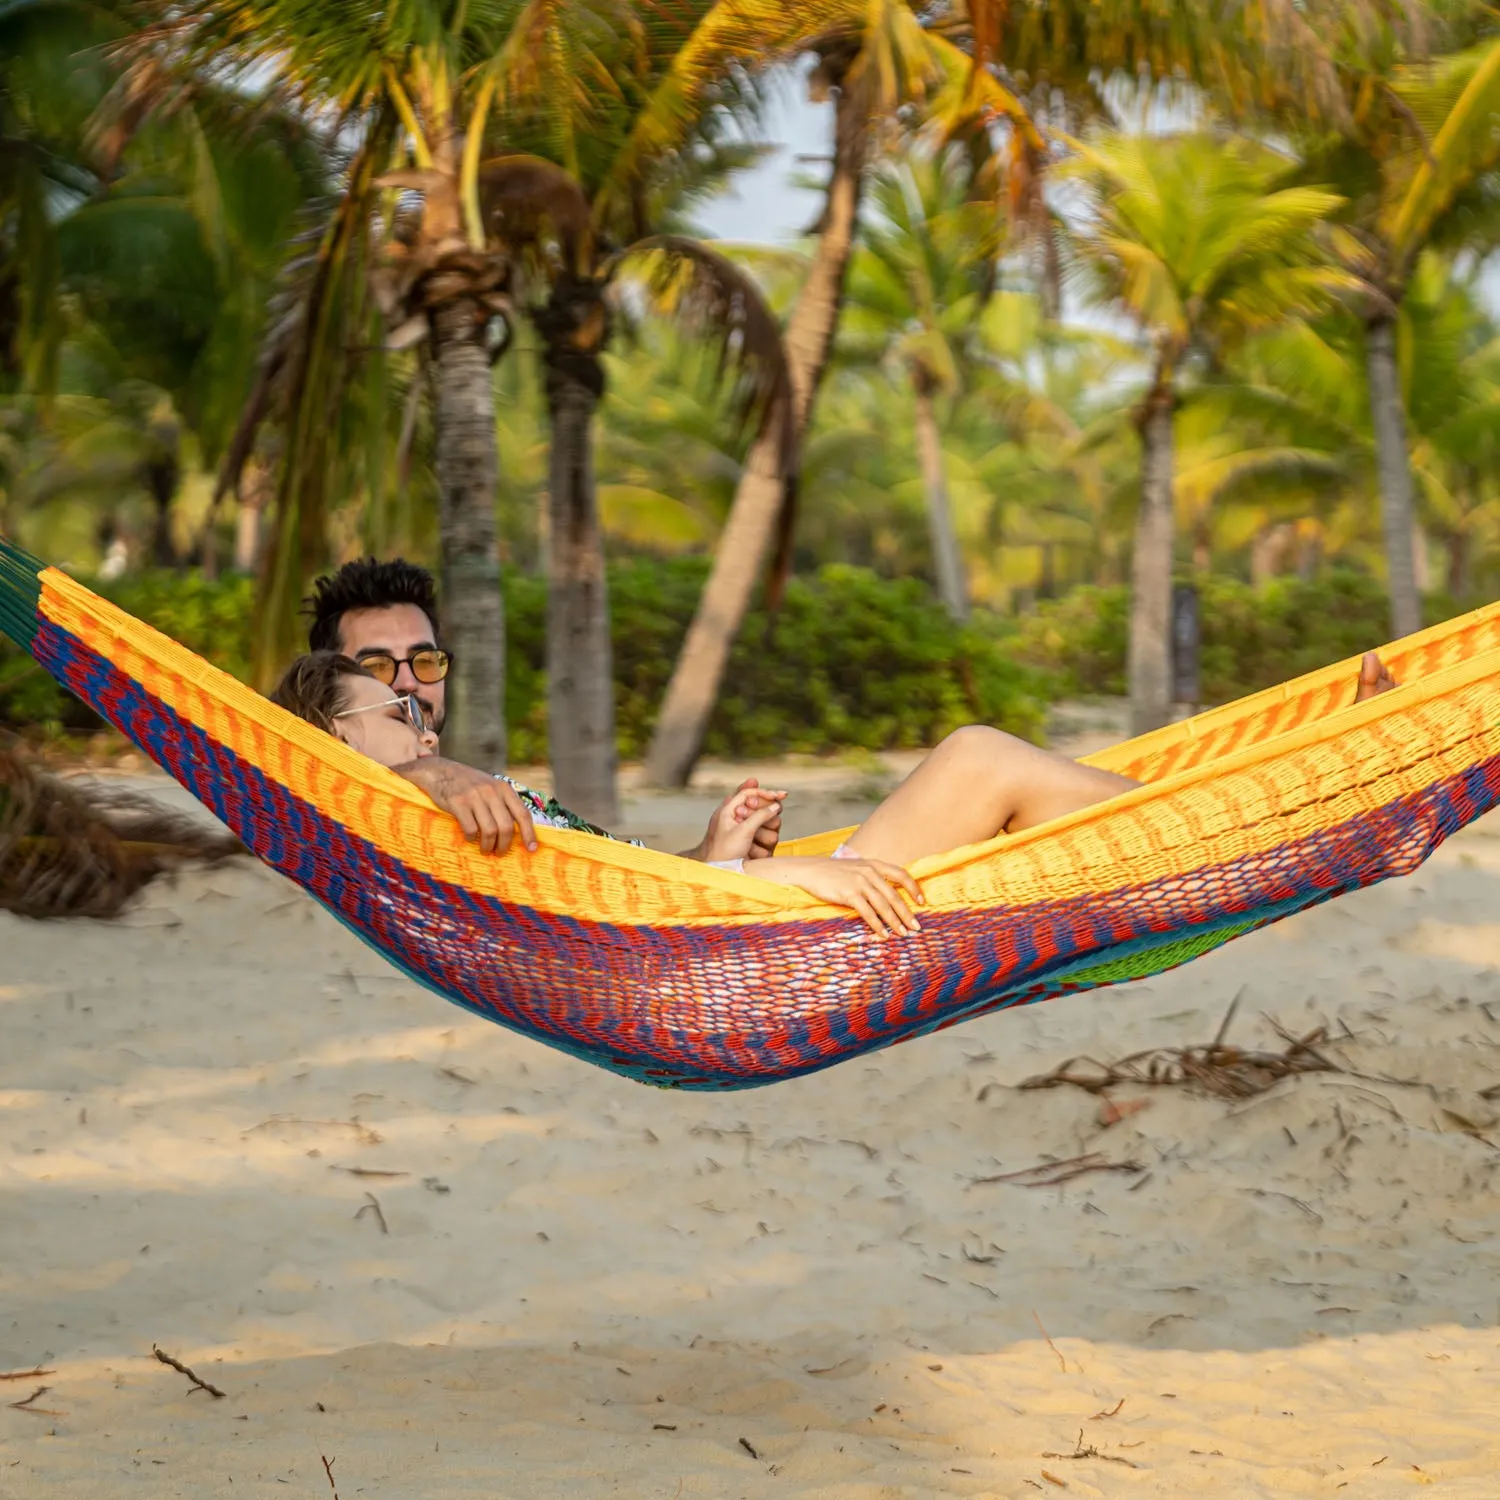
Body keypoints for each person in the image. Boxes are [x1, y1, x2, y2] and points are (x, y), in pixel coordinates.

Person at [273, 649, 1400, 940]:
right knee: (981, 759)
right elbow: (619, 927)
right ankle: (1301, 795)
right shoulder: (428, 794)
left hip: (733, 917)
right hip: (732, 937)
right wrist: (771, 879)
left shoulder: (432, 800)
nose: (420, 715)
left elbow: (608, 898)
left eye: (422, 703)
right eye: (391, 706)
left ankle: (1283, 792)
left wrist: (726, 854)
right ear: (332, 737)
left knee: (996, 770)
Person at [301, 557, 783, 864]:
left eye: (425, 660)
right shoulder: (336, 807)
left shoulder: (481, 793)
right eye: (378, 666)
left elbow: (619, 880)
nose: (409, 681)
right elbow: (319, 776)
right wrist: (429, 775)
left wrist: (709, 852)